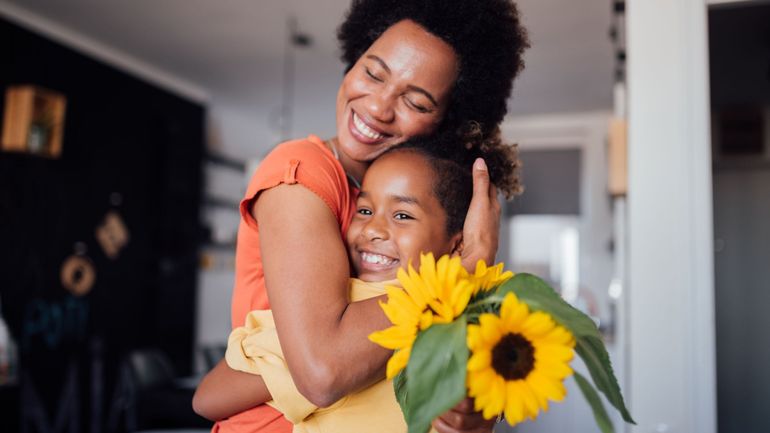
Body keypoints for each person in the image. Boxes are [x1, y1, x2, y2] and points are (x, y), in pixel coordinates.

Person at [193, 1, 529, 432]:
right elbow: (323, 371)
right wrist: (461, 271)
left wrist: (474, 407)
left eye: (416, 101)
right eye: (373, 73)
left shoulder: (408, 203)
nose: (378, 107)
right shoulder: (302, 171)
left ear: (449, 120)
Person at [224, 139, 521, 433]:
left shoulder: (350, 309)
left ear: (457, 242)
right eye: (364, 210)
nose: (373, 229)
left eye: (402, 215)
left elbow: (209, 398)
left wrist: (290, 369)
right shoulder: (477, 316)